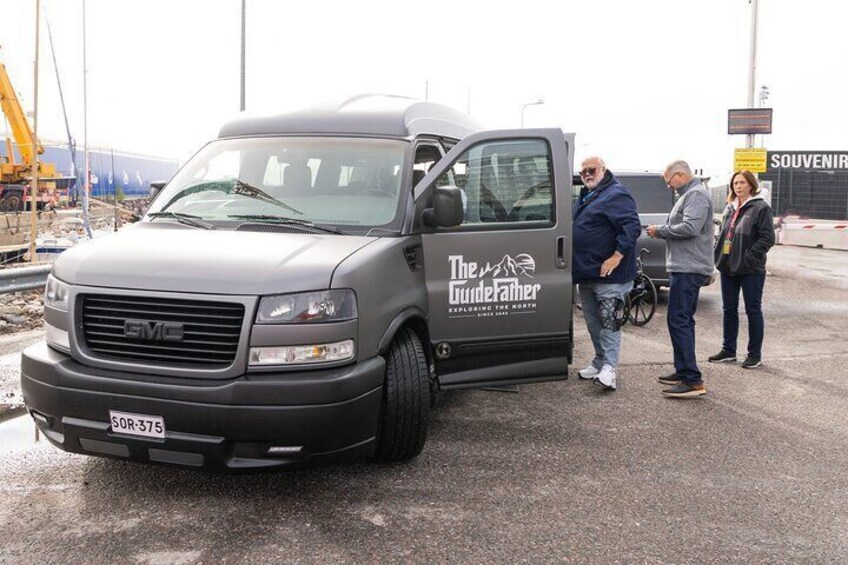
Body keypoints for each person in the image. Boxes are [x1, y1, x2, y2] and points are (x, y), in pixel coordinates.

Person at [646, 160, 714, 398]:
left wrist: (660, 231)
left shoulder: (695, 195)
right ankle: (684, 370)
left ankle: (692, 380)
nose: (668, 186)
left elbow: (690, 228)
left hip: (689, 268)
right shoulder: (689, 194)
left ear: (680, 175)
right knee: (683, 320)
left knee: (678, 320)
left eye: (669, 181)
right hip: (685, 266)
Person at [573, 157, 641, 391]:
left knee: (609, 321)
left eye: (591, 170)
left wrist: (616, 256)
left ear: (603, 169)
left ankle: (610, 369)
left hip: (610, 275)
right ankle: (599, 361)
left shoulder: (616, 194)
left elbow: (631, 226)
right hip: (587, 274)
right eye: (583, 172)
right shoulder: (588, 195)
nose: (587, 175)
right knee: (594, 323)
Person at [708, 170, 775, 369]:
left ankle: (754, 355)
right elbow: (724, 234)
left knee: (753, 310)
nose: (738, 186)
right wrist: (718, 253)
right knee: (729, 309)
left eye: (742, 182)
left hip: (750, 268)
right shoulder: (730, 207)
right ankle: (728, 351)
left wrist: (749, 257)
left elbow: (767, 238)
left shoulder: (761, 207)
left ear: (751, 185)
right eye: (735, 183)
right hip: (728, 265)